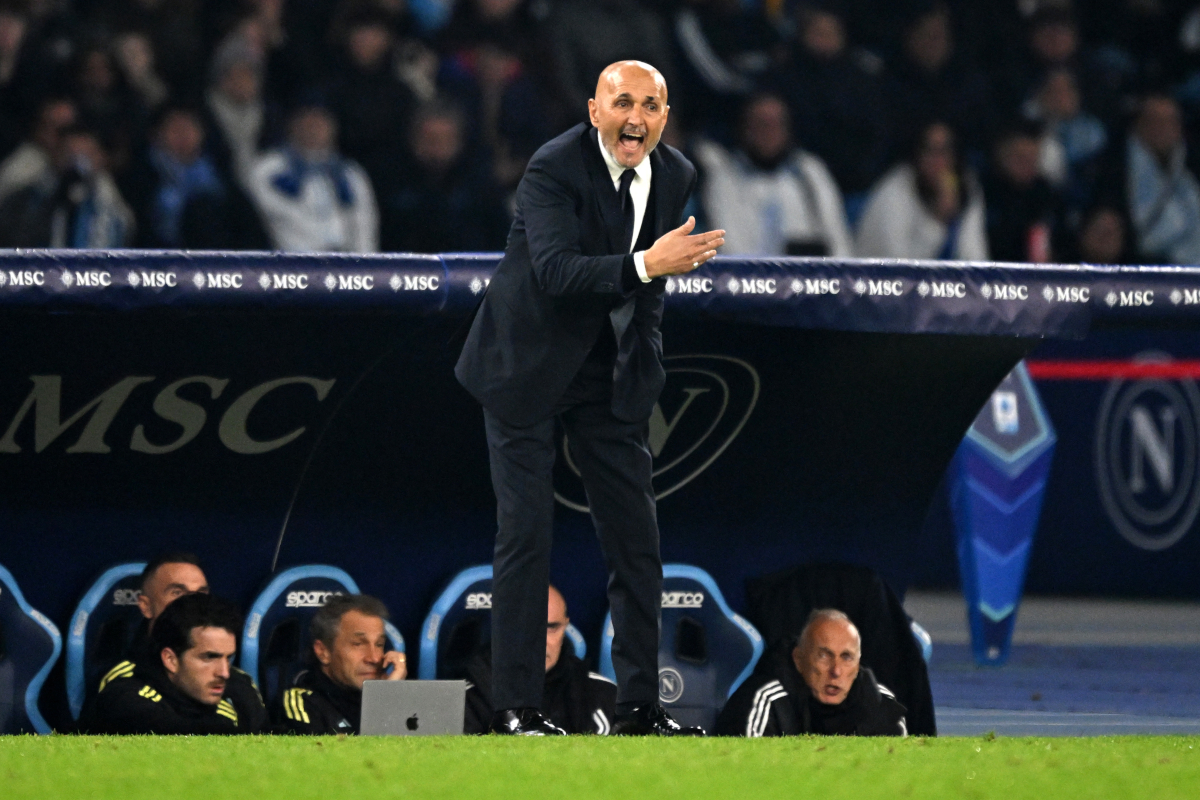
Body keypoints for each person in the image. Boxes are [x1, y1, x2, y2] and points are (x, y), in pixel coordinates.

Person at [455, 60, 723, 736]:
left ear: (665, 115)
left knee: (638, 542)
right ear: (594, 110)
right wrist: (645, 265)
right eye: (623, 103)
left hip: (609, 375)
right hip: (526, 366)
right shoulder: (553, 167)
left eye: (651, 105)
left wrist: (645, 368)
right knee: (525, 535)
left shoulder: (678, 175)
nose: (636, 118)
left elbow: (650, 298)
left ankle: (640, 709)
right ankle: (516, 709)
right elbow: (555, 271)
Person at [80, 592, 268, 734]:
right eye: (209, 657)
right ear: (171, 660)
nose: (224, 673)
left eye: (228, 658)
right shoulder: (125, 697)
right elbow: (169, 729)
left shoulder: (239, 689)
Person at [693, 92, 852, 256]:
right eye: (762, 124)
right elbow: (729, 246)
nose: (770, 132)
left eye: (777, 123)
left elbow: (837, 239)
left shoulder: (810, 172)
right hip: (748, 277)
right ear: (746, 129)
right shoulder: (724, 180)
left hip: (808, 277)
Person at [715, 609, 907, 737]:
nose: (836, 671)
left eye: (847, 657)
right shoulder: (764, 701)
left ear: (858, 665)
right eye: (824, 656)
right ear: (799, 659)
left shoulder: (879, 701)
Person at [463, 586, 617, 734]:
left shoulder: (602, 695)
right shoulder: (466, 700)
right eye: (527, 629)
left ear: (564, 627)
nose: (539, 642)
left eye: (551, 628)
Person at [247, 103, 379, 253]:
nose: (313, 130)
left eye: (320, 123)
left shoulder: (350, 173)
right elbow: (274, 218)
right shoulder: (269, 168)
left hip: (344, 263)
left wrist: (365, 264)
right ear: (293, 126)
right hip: (288, 262)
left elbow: (364, 222)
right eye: (308, 123)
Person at [855, 121, 988, 261]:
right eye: (930, 150)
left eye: (945, 150)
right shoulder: (894, 191)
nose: (938, 160)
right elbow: (898, 267)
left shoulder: (966, 184)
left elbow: (974, 252)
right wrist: (938, 221)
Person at [275, 594, 407, 735]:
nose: (374, 658)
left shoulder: (395, 696)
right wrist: (385, 700)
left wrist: (389, 694)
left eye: (380, 644)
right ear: (323, 651)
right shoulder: (302, 704)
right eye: (358, 644)